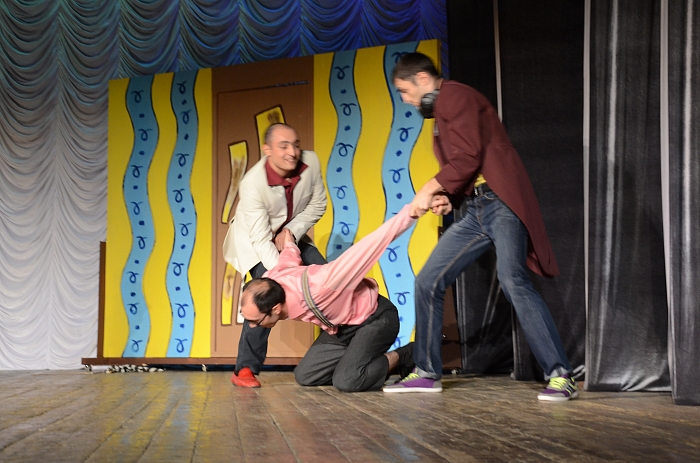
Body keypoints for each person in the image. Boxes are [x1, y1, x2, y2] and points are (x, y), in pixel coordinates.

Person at [382, 52, 577, 401]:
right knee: (427, 281)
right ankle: (426, 372)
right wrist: (450, 198)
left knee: (512, 279)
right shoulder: (441, 112)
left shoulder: (455, 95)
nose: (406, 100)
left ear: (422, 79)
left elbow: (469, 156)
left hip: (500, 203)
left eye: (404, 91)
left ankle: (560, 375)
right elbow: (468, 165)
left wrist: (428, 189)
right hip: (476, 210)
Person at [239, 204, 417, 392]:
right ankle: (356, 364)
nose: (252, 326)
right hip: (342, 327)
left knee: (347, 381)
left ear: (275, 308)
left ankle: (407, 354)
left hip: (375, 318)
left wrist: (411, 212)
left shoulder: (323, 283)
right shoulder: (273, 278)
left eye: (256, 321)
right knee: (306, 375)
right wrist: (289, 239)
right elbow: (289, 257)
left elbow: (373, 244)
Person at [223, 123, 327, 388]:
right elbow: (260, 238)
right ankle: (245, 369)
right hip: (256, 241)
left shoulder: (311, 163)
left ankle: (347, 349)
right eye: (283, 146)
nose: (292, 152)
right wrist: (284, 274)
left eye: (296, 144)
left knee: (328, 281)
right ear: (267, 150)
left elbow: (318, 205)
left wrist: (291, 232)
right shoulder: (252, 183)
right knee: (264, 297)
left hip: (289, 233)